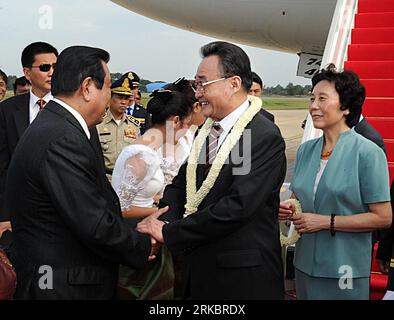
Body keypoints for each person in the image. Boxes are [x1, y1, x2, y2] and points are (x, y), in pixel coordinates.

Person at [137, 41, 287, 299]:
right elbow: (182, 185)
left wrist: (170, 232)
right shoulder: (209, 131)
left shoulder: (259, 135)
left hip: (239, 280)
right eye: (196, 85)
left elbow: (236, 206)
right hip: (200, 271)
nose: (197, 94)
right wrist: (162, 220)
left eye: (202, 84)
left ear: (234, 83)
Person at [6, 45, 155, 300]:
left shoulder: (56, 125)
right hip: (63, 286)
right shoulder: (62, 138)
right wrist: (144, 244)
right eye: (108, 87)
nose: (110, 95)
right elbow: (93, 222)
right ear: (87, 87)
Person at [279, 64, 392, 300]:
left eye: (322, 99)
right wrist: (290, 206)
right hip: (305, 264)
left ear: (346, 107)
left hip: (344, 267)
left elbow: (383, 217)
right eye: (312, 99)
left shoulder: (368, 153)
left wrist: (324, 222)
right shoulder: (306, 150)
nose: (313, 106)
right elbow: (300, 196)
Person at [111, 78, 194, 299]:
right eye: (186, 125)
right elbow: (120, 207)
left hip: (147, 230)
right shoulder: (142, 154)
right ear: (175, 121)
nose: (186, 132)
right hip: (136, 235)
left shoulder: (147, 149)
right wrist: (163, 211)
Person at [0, 42, 58, 257]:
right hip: (18, 213)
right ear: (26, 72)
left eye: (55, 67)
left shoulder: (71, 108)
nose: (52, 73)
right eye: (45, 68)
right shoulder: (7, 110)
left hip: (61, 210)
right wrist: (4, 215)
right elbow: (2, 166)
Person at [97, 73, 141, 181]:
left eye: (127, 98)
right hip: (105, 179)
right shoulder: (98, 124)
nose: (124, 102)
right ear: (110, 97)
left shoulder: (133, 126)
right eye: (120, 97)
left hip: (127, 180)